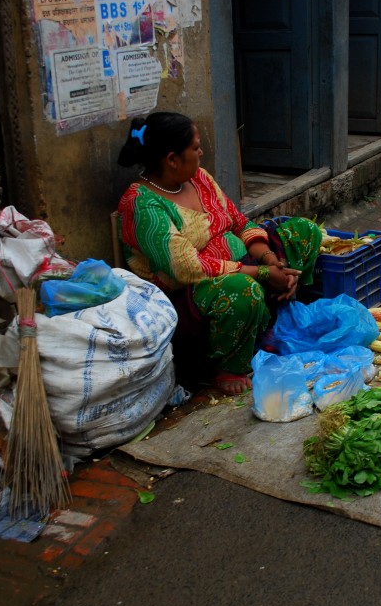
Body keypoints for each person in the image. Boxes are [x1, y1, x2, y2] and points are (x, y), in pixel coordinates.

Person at [116, 112, 323, 395]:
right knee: (242, 290)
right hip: (191, 292)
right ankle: (228, 366)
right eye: (196, 147)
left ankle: (281, 307)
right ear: (172, 159)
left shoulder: (198, 177)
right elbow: (186, 268)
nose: (202, 152)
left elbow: (239, 222)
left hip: (241, 265)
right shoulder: (142, 204)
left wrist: (270, 260)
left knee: (303, 231)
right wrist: (262, 273)